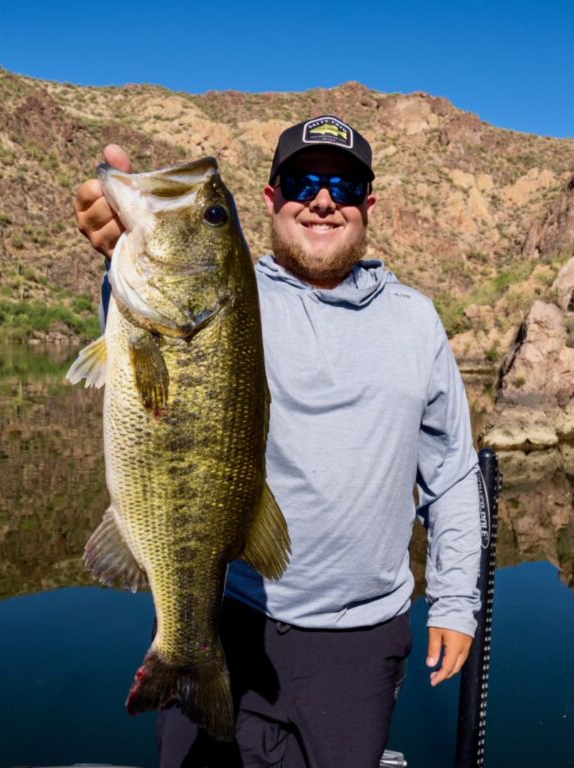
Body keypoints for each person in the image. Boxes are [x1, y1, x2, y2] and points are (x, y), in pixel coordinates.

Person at [73, 115, 482, 768]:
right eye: (303, 181)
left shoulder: (416, 319)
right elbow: (145, 347)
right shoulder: (235, 293)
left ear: (366, 207)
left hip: (361, 646)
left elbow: (453, 476)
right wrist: (117, 251)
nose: (323, 199)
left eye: (344, 187)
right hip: (226, 613)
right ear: (270, 200)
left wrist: (457, 603)